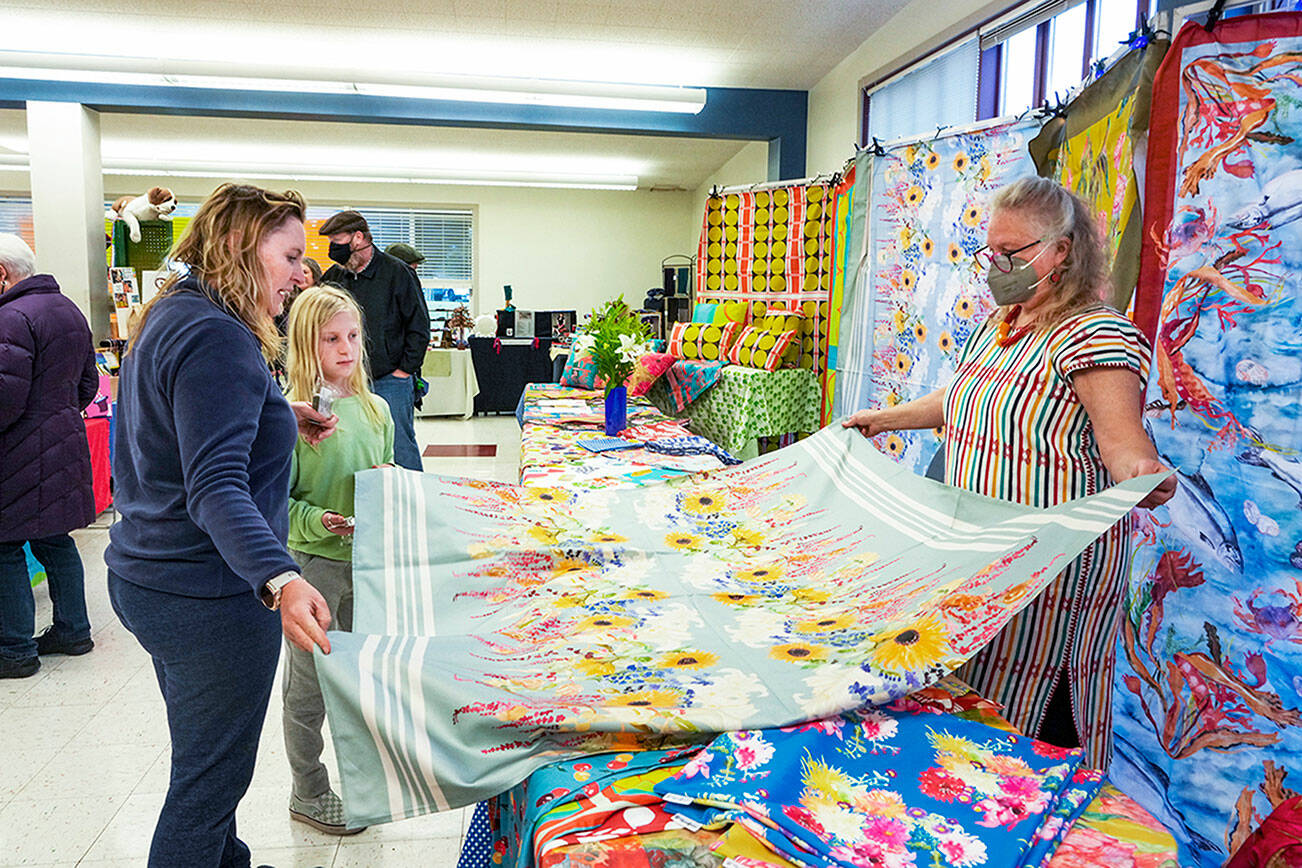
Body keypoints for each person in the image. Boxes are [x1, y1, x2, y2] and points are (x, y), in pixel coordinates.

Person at [843, 176, 1176, 770]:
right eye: (991, 252)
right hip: (983, 565)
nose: (997, 265)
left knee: (1033, 740)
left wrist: (1146, 475)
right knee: (974, 721)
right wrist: (882, 419)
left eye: (1013, 254)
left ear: (1062, 251)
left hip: (1047, 584)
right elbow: (960, 400)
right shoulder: (1003, 325)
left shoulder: (1098, 336)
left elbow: (1124, 447)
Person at [106, 183, 337, 867]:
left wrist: (276, 415)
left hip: (150, 577)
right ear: (239, 244)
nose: (303, 274)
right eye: (292, 256)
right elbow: (214, 487)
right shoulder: (218, 337)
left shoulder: (179, 313)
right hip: (207, 595)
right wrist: (282, 578)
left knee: (210, 754)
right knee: (207, 785)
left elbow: (179, 436)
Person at [280, 284, 393, 835]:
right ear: (307, 343)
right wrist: (317, 522)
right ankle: (308, 790)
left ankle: (364, 780)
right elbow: (278, 504)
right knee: (308, 688)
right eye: (331, 339)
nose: (346, 348)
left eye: (352, 336)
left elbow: (388, 469)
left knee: (360, 678)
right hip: (314, 571)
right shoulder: (289, 420)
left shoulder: (376, 410)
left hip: (368, 568)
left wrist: (392, 488)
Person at [0, 233, 98, 679]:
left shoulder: (9, 317)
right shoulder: (69, 310)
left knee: (4, 546)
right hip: (65, 440)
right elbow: (88, 385)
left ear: (2, 274)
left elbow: (5, 397)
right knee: (55, 539)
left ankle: (14, 650)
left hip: (17, 449)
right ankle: (73, 631)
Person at [320, 210, 428, 471]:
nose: (334, 249)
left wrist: (405, 370)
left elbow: (419, 325)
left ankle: (412, 504)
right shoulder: (335, 277)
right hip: (345, 378)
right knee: (350, 444)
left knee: (399, 446)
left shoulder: (398, 273)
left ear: (359, 238)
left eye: (339, 241)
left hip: (390, 378)